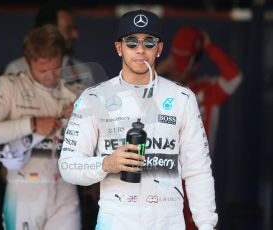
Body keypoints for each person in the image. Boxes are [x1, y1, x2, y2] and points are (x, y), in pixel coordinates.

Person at [59, 9, 218, 230]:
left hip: (168, 221)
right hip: (116, 220)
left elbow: (197, 169)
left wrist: (207, 224)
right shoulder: (94, 98)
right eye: (131, 42)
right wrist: (107, 163)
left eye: (149, 42)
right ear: (119, 48)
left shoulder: (182, 98)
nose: (140, 49)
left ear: (159, 48)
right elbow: (67, 166)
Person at [0, 25, 80, 230]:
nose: (50, 75)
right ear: (28, 61)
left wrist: (84, 112)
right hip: (24, 190)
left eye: (56, 67)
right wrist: (32, 124)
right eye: (42, 70)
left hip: (66, 190)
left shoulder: (74, 94)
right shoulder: (9, 86)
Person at [156, 26, 242, 230]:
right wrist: (160, 69)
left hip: (196, 177)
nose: (177, 68)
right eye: (174, 62)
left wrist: (209, 47)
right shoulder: (161, 91)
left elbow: (234, 77)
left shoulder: (208, 90)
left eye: (183, 63)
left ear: (195, 63)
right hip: (164, 180)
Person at [4, 2, 98, 96]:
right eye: (68, 29)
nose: (75, 35)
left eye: (56, 68)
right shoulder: (17, 69)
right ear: (49, 31)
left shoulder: (83, 70)